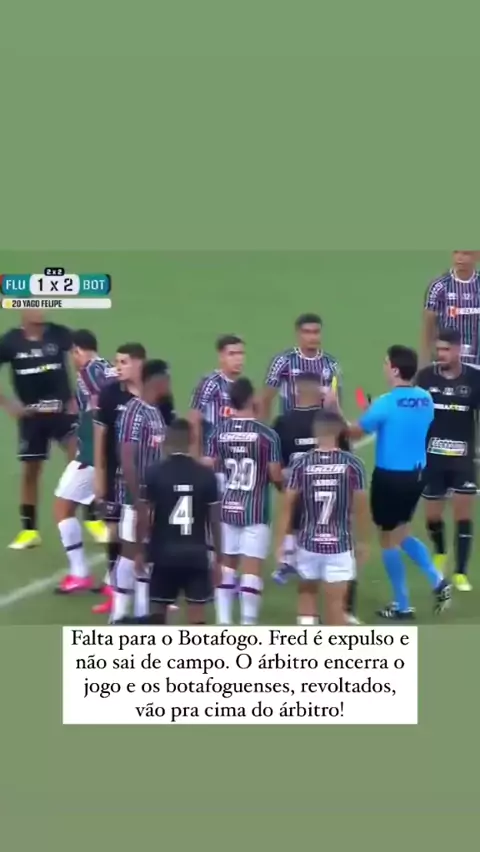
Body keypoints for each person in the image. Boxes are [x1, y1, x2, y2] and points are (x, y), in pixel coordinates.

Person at [344, 345, 451, 619]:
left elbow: (354, 433)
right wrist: (376, 413)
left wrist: (336, 413)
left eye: (385, 363)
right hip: (417, 476)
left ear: (394, 370)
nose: (383, 367)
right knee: (402, 533)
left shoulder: (385, 402)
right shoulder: (425, 399)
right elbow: (405, 421)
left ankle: (403, 605)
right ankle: (438, 580)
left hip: (390, 478)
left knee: (387, 539)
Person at [276, 410, 369, 625]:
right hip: (340, 545)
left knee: (306, 597)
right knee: (336, 606)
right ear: (340, 432)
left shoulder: (301, 464)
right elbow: (361, 508)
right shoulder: (353, 465)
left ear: (315, 431)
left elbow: (287, 506)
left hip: (308, 544)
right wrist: (363, 541)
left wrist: (281, 542)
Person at [205, 377, 283, 625]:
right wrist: (286, 484)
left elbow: (208, 467)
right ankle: (248, 624)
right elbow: (275, 475)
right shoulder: (267, 436)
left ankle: (223, 622)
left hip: (227, 509)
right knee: (251, 571)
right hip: (256, 511)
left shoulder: (218, 433)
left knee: (226, 567)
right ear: (251, 399)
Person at [0, 310, 77, 549]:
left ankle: (93, 519)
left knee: (80, 457)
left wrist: (80, 396)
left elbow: (86, 359)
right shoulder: (10, 341)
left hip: (62, 412)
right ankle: (29, 530)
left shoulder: (59, 334)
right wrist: (7, 404)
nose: (40, 310)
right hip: (31, 416)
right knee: (31, 471)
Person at [135, 419, 222, 625]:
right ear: (192, 440)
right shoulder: (206, 475)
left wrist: (139, 550)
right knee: (197, 617)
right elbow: (215, 521)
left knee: (157, 615)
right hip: (196, 555)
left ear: (166, 440)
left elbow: (144, 517)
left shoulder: (154, 472)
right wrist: (219, 558)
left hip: (163, 554)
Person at [417, 328, 480, 591]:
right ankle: (441, 551)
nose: (440, 354)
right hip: (432, 458)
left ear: (458, 350)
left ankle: (461, 571)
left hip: (463, 458)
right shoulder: (425, 377)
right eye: (438, 349)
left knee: (463, 514)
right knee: (433, 516)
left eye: (446, 349)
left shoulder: (475, 378)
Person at [54, 330, 116, 593]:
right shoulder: (109, 368)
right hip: (109, 453)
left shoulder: (88, 371)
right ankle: (114, 578)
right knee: (117, 516)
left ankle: (81, 573)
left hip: (92, 455)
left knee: (62, 507)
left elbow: (101, 409)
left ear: (77, 351)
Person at [111, 360, 169, 624]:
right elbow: (126, 457)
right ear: (157, 381)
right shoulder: (134, 411)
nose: (169, 384)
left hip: (153, 498)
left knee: (146, 555)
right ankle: (119, 615)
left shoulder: (154, 412)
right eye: (167, 379)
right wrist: (139, 500)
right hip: (136, 498)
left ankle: (141, 614)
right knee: (130, 551)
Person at [91, 342, 146, 614]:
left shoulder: (154, 393)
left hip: (146, 477)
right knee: (113, 533)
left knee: (144, 534)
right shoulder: (110, 394)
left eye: (124, 362)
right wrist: (99, 475)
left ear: (139, 364)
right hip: (116, 476)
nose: (118, 367)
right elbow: (100, 437)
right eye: (117, 362)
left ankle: (149, 593)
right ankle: (115, 591)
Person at [260, 313, 341, 420]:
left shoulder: (331, 364)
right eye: (307, 332)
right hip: (290, 425)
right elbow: (266, 398)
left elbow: (336, 402)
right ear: (298, 334)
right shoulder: (283, 361)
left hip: (320, 426)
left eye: (316, 332)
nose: (312, 337)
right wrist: (265, 426)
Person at [189, 334, 245, 456]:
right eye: (232, 354)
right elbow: (194, 419)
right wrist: (196, 458)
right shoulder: (210, 384)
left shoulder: (243, 386)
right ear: (221, 356)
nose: (238, 359)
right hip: (213, 456)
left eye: (241, 353)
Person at [421, 251, 480, 367]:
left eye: (466, 253)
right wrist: (424, 364)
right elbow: (428, 327)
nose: (460, 258)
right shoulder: (440, 286)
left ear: (477, 256)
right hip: (446, 363)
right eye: (456, 252)